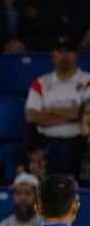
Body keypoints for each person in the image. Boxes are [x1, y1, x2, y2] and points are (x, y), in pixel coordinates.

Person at [25, 36, 90, 175]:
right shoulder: (40, 82)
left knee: (62, 150)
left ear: (77, 55)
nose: (64, 56)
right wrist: (73, 115)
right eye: (60, 51)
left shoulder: (87, 80)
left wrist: (50, 111)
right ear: (52, 55)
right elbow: (31, 116)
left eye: (69, 51)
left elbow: (85, 112)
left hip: (78, 141)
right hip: (45, 140)